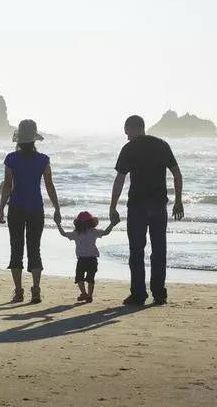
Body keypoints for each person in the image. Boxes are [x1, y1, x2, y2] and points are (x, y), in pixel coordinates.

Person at [109, 115, 184, 306]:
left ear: (135, 128)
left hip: (137, 206)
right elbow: (176, 173)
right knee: (159, 250)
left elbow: (119, 180)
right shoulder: (162, 145)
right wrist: (178, 201)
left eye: (127, 132)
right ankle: (159, 294)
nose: (126, 137)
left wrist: (113, 206)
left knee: (136, 251)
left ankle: (138, 294)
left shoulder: (129, 148)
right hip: (159, 205)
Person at [0, 119, 61, 304]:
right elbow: (49, 185)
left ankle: (18, 291)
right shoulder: (43, 159)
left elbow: (8, 185)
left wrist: (1, 208)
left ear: (18, 138)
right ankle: (36, 290)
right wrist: (57, 208)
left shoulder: (11, 159)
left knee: (16, 248)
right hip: (36, 208)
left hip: (16, 207)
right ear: (34, 138)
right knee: (35, 248)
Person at [55, 210, 116, 302]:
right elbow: (106, 232)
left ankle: (84, 293)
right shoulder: (93, 231)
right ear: (91, 223)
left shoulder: (76, 233)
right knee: (91, 278)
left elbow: (63, 234)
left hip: (82, 260)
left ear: (77, 223)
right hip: (92, 259)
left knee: (79, 277)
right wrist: (112, 224)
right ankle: (89, 296)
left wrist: (58, 224)